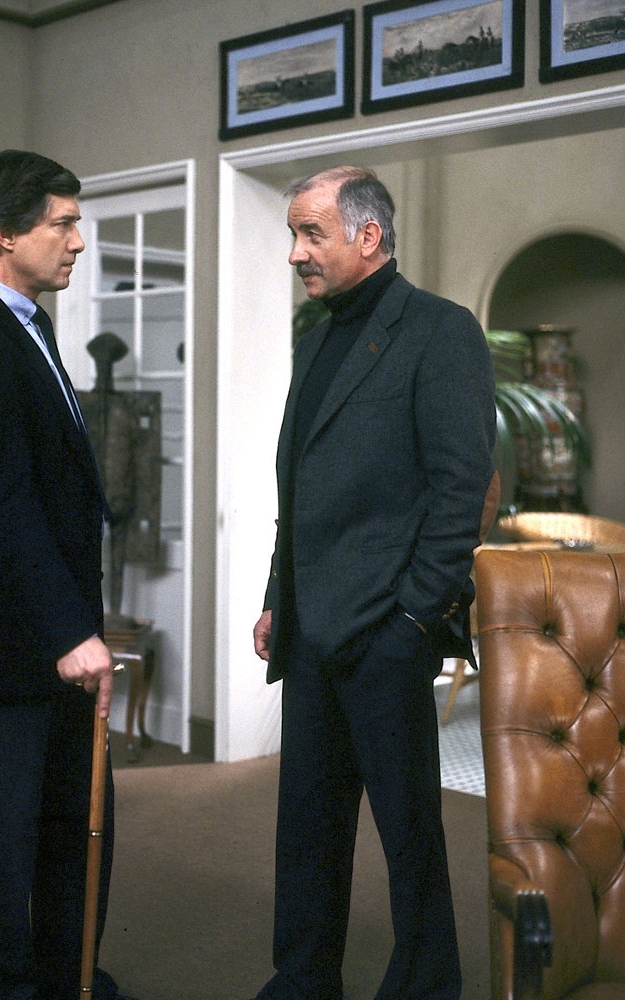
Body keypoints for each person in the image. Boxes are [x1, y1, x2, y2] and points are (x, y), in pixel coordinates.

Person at [251, 166, 496, 1000]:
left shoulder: (441, 331)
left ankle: (426, 985)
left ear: (368, 236)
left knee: (409, 837)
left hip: (387, 633)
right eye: (293, 234)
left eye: (310, 233)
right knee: (306, 830)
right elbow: (300, 487)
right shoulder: (314, 339)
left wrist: (413, 620)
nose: (295, 253)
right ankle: (302, 979)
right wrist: (277, 596)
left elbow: (461, 491)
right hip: (309, 631)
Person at [0, 149, 137, 1000]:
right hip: (6, 642)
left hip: (56, 635)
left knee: (72, 827)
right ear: (6, 233)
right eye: (63, 224)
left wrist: (75, 628)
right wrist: (70, 631)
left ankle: (67, 980)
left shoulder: (28, 328)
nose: (78, 241)